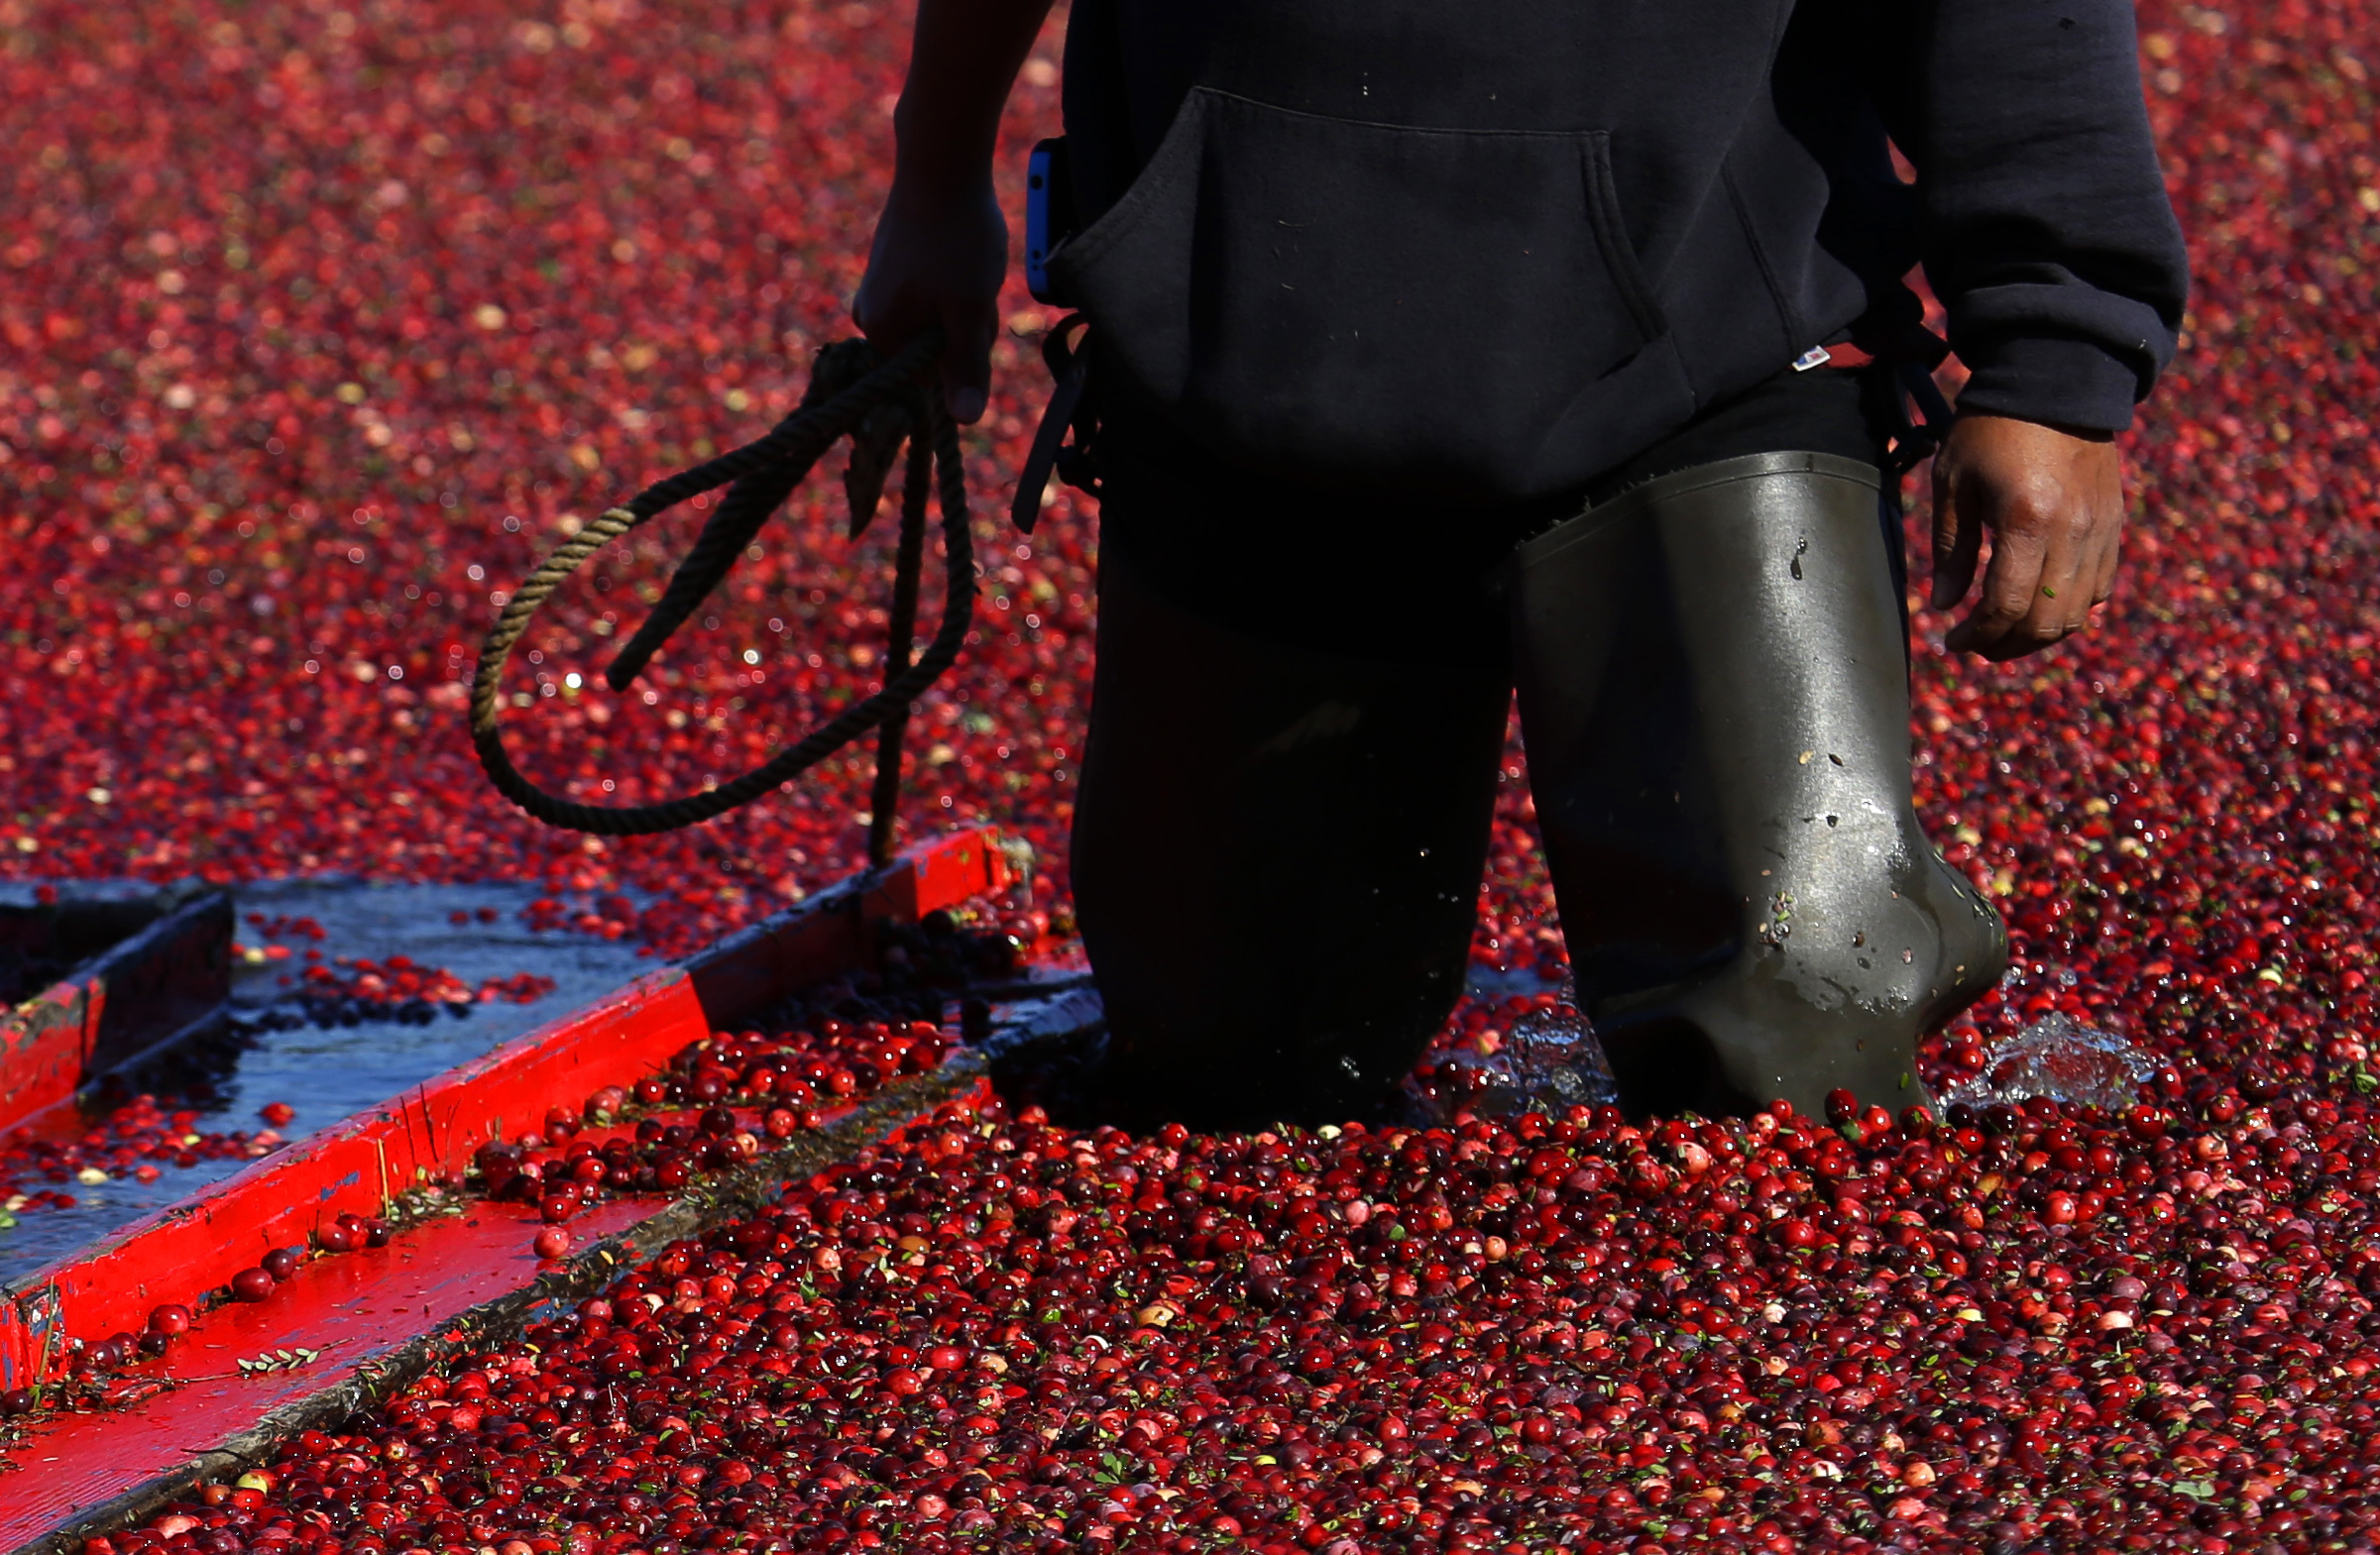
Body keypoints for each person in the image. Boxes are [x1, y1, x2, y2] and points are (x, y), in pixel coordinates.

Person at [852, 0, 2189, 1127]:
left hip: (1703, 347)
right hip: (1248, 349)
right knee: (1227, 1066)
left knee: (1795, 1039)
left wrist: (2061, 349)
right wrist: (934, 174)